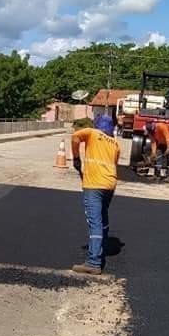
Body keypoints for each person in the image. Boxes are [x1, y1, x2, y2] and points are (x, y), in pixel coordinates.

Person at [71, 114, 120, 276]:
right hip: (110, 184)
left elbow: (75, 137)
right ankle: (102, 246)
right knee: (103, 215)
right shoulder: (115, 143)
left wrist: (76, 158)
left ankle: (93, 262)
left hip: (94, 185)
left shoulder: (92, 133)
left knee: (94, 221)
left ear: (97, 125)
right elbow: (114, 163)